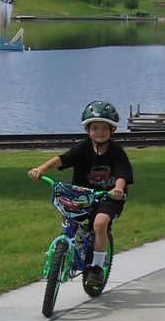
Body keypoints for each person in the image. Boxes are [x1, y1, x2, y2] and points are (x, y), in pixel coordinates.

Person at [28, 100, 133, 287]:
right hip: (82, 194)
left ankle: (97, 268)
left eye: (103, 128)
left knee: (100, 224)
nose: (99, 132)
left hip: (108, 198)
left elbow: (122, 174)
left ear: (112, 130)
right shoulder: (83, 148)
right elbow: (61, 160)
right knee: (63, 202)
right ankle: (73, 238)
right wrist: (41, 169)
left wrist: (118, 189)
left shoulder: (117, 152)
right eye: (94, 128)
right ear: (87, 130)